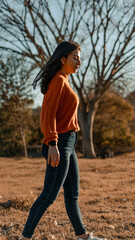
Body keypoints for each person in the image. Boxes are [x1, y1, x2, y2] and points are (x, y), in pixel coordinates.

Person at [20, 41, 99, 240]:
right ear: (62, 58)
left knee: (72, 195)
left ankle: (82, 236)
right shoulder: (58, 81)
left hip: (69, 144)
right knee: (48, 195)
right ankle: (25, 237)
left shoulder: (65, 79)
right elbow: (48, 116)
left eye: (80, 58)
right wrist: (52, 143)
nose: (79, 61)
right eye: (75, 57)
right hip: (60, 143)